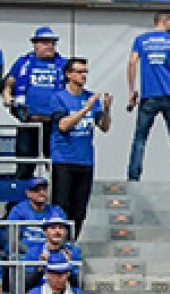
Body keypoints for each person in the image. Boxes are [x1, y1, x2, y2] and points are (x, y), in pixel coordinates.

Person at [125, 10, 170, 183]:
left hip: (149, 95)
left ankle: (134, 176)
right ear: (165, 20)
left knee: (140, 137)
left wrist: (132, 91)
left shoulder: (141, 40)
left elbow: (132, 62)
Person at [49, 58, 108, 237]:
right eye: (80, 71)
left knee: (80, 209)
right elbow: (63, 126)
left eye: (85, 72)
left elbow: (104, 126)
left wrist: (106, 109)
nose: (84, 76)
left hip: (85, 160)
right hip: (64, 159)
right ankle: (59, 243)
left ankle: (72, 243)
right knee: (62, 206)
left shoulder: (90, 97)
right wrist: (85, 109)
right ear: (68, 74)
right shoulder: (58, 97)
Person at [7, 25, 67, 177]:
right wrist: (8, 97)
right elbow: (9, 82)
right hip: (30, 122)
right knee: (24, 167)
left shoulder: (63, 64)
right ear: (36, 44)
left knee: (56, 167)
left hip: (54, 124)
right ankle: (19, 200)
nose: (50, 46)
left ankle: (57, 200)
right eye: (45, 43)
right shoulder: (23, 62)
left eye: (52, 43)